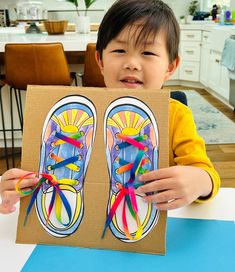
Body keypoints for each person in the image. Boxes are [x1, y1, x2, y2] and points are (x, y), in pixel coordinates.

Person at [0, 0, 220, 214]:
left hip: (159, 220)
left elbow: (206, 172)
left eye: (148, 53)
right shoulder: (76, 114)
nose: (132, 63)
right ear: (101, 61)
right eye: (119, 51)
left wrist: (200, 181)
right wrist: (20, 185)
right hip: (86, 221)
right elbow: (38, 171)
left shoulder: (176, 114)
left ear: (170, 67)